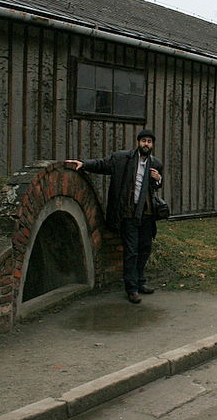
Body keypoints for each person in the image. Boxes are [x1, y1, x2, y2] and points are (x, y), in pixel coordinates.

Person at [65, 130, 164, 304]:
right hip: (128, 213)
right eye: (143, 141)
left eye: (149, 141)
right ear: (138, 142)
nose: (146, 144)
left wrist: (158, 179)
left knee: (145, 249)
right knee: (131, 251)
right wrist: (83, 163)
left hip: (147, 214)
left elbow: (155, 187)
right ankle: (131, 288)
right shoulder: (122, 159)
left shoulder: (155, 163)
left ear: (152, 145)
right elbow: (102, 164)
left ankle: (141, 282)